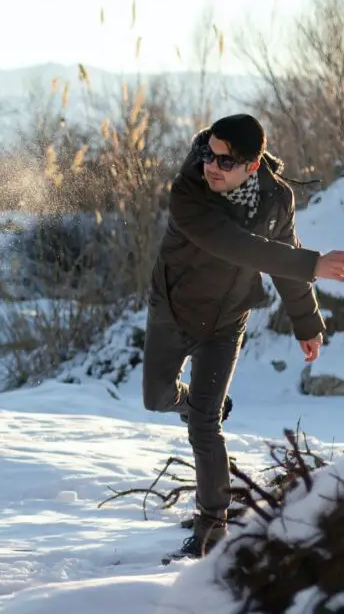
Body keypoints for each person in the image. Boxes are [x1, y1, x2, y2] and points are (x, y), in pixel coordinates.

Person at [142, 113, 344, 559]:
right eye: (208, 154)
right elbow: (237, 245)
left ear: (252, 166)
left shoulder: (276, 199)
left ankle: (210, 530)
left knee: (204, 423)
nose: (211, 165)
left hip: (226, 321)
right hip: (172, 312)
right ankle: (191, 400)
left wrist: (307, 324)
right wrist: (314, 263)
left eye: (225, 161)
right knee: (156, 398)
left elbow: (282, 256)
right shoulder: (189, 190)